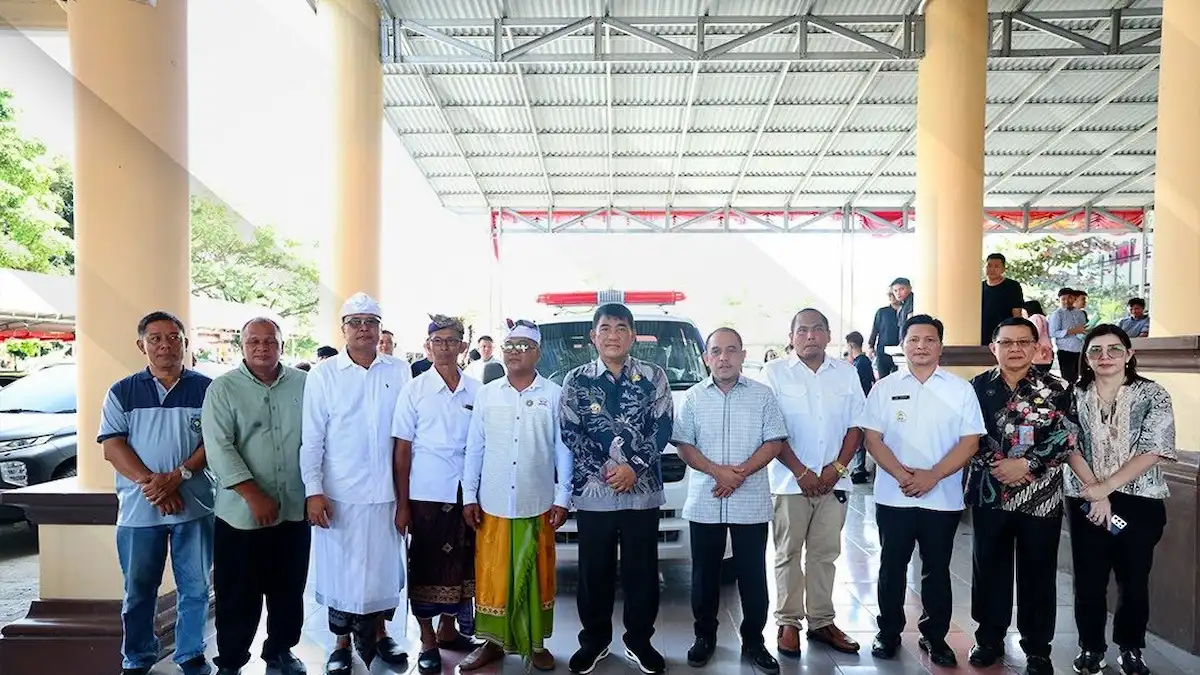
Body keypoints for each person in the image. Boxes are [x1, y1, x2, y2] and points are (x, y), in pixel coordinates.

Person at [860, 314, 986, 667]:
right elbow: (872, 438)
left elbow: (970, 442)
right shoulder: (884, 387)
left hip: (942, 497)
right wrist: (902, 474)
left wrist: (933, 476)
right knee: (892, 567)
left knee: (936, 570)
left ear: (940, 345)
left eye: (929, 340)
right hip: (893, 495)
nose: (921, 346)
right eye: (914, 339)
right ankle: (888, 633)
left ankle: (936, 637)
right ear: (902, 345)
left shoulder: (960, 389)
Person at [99, 311, 215, 675]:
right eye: (155, 338)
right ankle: (136, 657)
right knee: (138, 591)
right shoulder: (122, 391)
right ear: (141, 345)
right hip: (140, 510)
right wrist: (156, 485)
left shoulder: (208, 389)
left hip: (194, 507)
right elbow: (112, 446)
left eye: (173, 337)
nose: (165, 345)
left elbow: (216, 442)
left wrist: (178, 476)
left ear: (185, 342)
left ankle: (190, 653)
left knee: (195, 588)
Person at [301, 293, 411, 675]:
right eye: (355, 321)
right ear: (343, 328)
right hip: (338, 494)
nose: (364, 328)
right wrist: (313, 490)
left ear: (381, 328)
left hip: (384, 493)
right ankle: (341, 642)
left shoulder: (399, 371)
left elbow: (405, 438)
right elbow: (312, 438)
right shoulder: (323, 374)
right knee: (341, 572)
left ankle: (381, 634)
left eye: (370, 321)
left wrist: (405, 497)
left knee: (381, 570)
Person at [560, 302, 672, 675]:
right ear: (593, 336)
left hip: (643, 493)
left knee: (643, 570)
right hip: (595, 494)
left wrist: (634, 468)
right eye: (605, 328)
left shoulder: (654, 376)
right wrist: (609, 472)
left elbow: (663, 427)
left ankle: (639, 641)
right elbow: (570, 432)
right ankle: (595, 642)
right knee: (594, 572)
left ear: (632, 335)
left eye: (621, 328)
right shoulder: (576, 380)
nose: (613, 335)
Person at [458, 320, 572, 672]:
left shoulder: (553, 395)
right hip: (492, 503)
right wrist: (469, 496)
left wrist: (562, 496)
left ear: (537, 352)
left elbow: (563, 449)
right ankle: (492, 643)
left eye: (523, 346)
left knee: (535, 576)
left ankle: (534, 644)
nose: (514, 352)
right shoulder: (487, 393)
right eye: (509, 346)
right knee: (493, 577)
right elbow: (474, 448)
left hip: (535, 502)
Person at [672, 327, 787, 674]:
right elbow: (684, 445)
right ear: (706, 357)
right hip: (706, 497)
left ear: (742, 356)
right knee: (704, 574)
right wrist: (716, 472)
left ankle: (754, 640)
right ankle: (704, 637)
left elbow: (774, 442)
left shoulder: (763, 396)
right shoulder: (692, 397)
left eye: (731, 351)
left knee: (752, 573)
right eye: (716, 351)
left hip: (750, 497)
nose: (724, 358)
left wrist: (738, 474)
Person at [1064, 324, 1177, 675]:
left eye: (1114, 349)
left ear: (1129, 355)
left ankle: (1131, 648)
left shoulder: (1153, 394)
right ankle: (1091, 649)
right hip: (1085, 498)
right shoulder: (1073, 394)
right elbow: (1069, 445)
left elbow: (1155, 448)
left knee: (1134, 578)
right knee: (1089, 578)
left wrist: (1107, 488)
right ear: (1086, 358)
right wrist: (1095, 492)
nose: (1105, 357)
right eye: (1095, 350)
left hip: (1139, 500)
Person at [966, 318, 1075, 675]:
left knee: (1038, 572)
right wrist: (1000, 465)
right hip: (990, 491)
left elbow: (1067, 437)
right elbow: (966, 434)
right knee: (989, 566)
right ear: (993, 347)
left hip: (1040, 496)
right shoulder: (975, 388)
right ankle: (989, 639)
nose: (1015, 349)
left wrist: (1027, 464)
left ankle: (1037, 647)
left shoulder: (1058, 388)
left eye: (1023, 342)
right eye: (1007, 342)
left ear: (1037, 346)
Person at [203, 318, 309, 675]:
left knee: (289, 590)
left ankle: (280, 650)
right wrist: (253, 495)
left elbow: (320, 438)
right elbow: (219, 447)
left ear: (282, 343)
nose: (262, 348)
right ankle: (231, 660)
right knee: (238, 595)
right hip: (241, 516)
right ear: (242, 345)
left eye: (270, 341)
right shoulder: (223, 388)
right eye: (254, 342)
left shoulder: (305, 384)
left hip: (294, 509)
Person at [764, 309, 866, 658]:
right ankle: (788, 622)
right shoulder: (773, 373)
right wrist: (801, 472)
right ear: (791, 336)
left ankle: (822, 621)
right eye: (803, 330)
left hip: (833, 481)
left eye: (817, 330)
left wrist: (835, 469)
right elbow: (770, 429)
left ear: (828, 335)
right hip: (789, 481)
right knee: (787, 553)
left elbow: (857, 425)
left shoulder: (847, 373)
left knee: (825, 554)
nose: (810, 336)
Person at [392, 314, 482, 674]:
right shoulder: (413, 390)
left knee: (463, 567)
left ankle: (449, 630)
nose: (444, 347)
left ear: (463, 347)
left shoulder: (478, 391)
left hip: (469, 492)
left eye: (451, 341)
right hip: (427, 493)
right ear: (428, 346)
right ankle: (427, 639)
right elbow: (402, 450)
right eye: (437, 341)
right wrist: (402, 504)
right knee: (428, 566)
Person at [845, 331, 875, 484]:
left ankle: (859, 468)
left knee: (859, 438)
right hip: (864, 405)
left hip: (861, 407)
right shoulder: (863, 362)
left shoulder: (860, 364)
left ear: (850, 345)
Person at [980, 253, 1025, 346]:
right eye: (989, 266)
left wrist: (1016, 334)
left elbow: (1017, 312)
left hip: (1004, 334)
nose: (991, 269)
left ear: (1003, 269)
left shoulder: (1012, 286)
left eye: (996, 266)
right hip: (981, 335)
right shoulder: (980, 286)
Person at [1049, 288, 1088, 384]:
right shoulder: (1057, 314)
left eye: (1070, 298)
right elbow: (1053, 333)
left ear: (1074, 298)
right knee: (1068, 380)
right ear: (1059, 300)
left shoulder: (1080, 313)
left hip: (1080, 350)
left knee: (1082, 378)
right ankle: (1067, 398)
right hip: (1066, 351)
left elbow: (1083, 329)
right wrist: (1072, 331)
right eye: (1063, 299)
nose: (1066, 301)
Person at [1021, 300, 1054, 375]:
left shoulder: (1035, 317)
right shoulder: (1043, 317)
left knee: (1037, 376)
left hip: (1039, 351)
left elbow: (1034, 334)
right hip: (1046, 350)